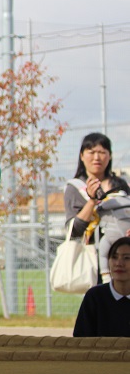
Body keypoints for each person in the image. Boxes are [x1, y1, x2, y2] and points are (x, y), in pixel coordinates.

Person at [63, 133, 114, 278]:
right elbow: (74, 231)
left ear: (110, 156)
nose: (97, 157)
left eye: (102, 152)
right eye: (91, 152)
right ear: (82, 156)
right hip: (90, 265)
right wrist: (92, 201)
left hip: (120, 261)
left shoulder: (120, 186)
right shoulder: (75, 188)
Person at [73, 237, 130, 337]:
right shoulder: (95, 297)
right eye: (114, 257)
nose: (119, 263)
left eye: (127, 258)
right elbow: (80, 339)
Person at [91, 177, 130, 282]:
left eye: (102, 188)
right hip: (127, 235)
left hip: (111, 236)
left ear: (113, 189)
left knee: (103, 252)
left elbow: (97, 211)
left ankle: (105, 275)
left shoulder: (108, 201)